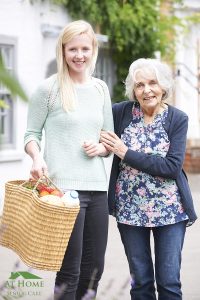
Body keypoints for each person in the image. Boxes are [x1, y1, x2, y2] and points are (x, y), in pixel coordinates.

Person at [24, 20, 113, 300]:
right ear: (63, 51)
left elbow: (108, 139)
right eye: (72, 49)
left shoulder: (101, 89)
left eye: (85, 48)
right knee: (70, 271)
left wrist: (101, 148)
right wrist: (37, 158)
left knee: (94, 269)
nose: (79, 55)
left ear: (93, 49)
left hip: (98, 189)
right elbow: (31, 134)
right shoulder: (48, 89)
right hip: (62, 192)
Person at [100, 58, 197, 300]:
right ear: (133, 90)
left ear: (163, 86)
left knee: (169, 283)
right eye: (140, 85)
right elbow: (93, 123)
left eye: (152, 83)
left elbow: (172, 167)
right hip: (130, 210)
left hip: (170, 211)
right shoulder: (120, 113)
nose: (147, 90)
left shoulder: (177, 119)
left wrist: (125, 152)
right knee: (141, 283)